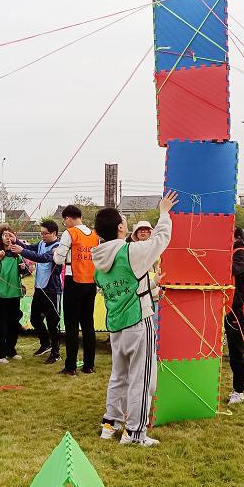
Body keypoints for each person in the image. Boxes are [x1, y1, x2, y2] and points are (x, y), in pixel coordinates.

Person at [95, 191, 175, 446]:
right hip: (139, 323)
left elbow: (125, 287)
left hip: (116, 325)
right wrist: (164, 213)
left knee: (119, 376)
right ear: (120, 227)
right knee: (142, 378)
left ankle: (110, 424)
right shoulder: (129, 252)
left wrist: (151, 284)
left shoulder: (99, 260)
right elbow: (161, 239)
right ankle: (135, 433)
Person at [54, 205, 100, 375]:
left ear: (68, 218)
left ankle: (71, 366)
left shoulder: (70, 233)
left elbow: (59, 260)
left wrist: (55, 253)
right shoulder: (94, 235)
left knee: (72, 325)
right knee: (88, 324)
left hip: (73, 280)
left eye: (64, 220)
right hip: (91, 282)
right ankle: (89, 365)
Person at [14, 220, 62, 364]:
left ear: (54, 233)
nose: (42, 236)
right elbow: (29, 247)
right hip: (39, 289)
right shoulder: (41, 243)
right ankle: (45, 344)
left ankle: (56, 353)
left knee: (53, 323)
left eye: (45, 233)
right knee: (34, 319)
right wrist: (15, 240)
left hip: (52, 290)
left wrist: (22, 251)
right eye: (41, 233)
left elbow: (43, 258)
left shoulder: (58, 247)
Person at [0, 227, 29, 363]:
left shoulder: (17, 253)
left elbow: (26, 272)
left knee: (13, 323)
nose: (7, 238)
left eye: (9, 235)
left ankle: (11, 350)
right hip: (0, 294)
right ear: (0, 238)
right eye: (4, 235)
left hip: (14, 293)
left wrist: (23, 268)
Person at [224, 227, 244, 404]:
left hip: (234, 307)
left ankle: (239, 390)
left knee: (236, 351)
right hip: (223, 305)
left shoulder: (240, 252)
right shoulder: (232, 251)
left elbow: (234, 269)